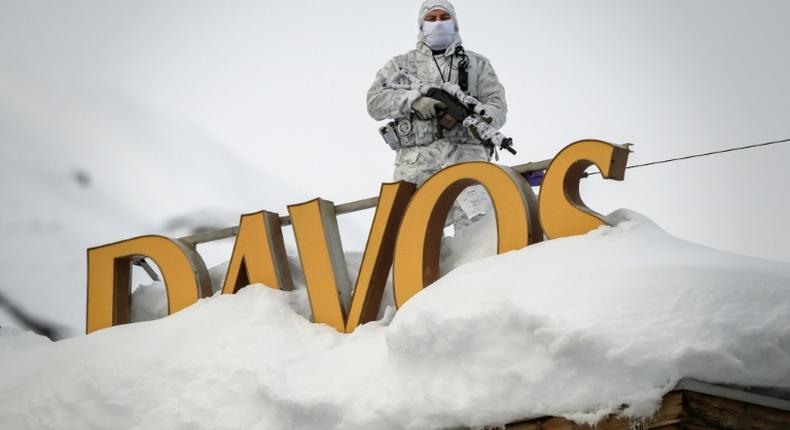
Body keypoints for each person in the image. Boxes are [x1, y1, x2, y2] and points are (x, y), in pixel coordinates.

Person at [367, 0, 508, 232]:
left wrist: (482, 121)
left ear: (455, 23)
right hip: (415, 163)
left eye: (444, 17)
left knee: (480, 233)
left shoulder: (476, 64)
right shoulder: (401, 65)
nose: (438, 23)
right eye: (431, 19)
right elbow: (374, 102)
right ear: (421, 25)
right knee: (413, 234)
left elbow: (497, 105)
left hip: (466, 156)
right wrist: (413, 101)